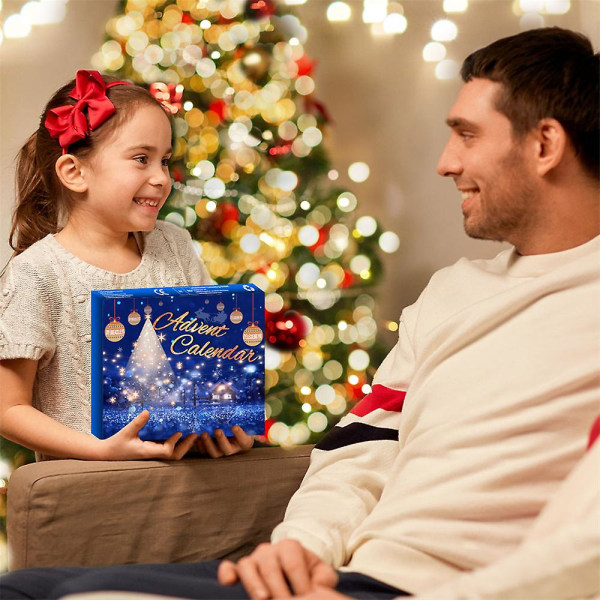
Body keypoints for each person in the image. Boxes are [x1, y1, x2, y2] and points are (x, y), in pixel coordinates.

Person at [1, 25, 599, 600]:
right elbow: (361, 448)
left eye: (466, 135)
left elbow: (583, 548)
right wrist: (301, 547)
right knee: (24, 588)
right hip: (340, 573)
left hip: (418, 588)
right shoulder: (452, 293)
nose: (444, 162)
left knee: (85, 594)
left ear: (544, 145)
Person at [0, 70, 254, 462]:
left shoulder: (174, 245)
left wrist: (229, 427)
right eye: (141, 159)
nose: (162, 178)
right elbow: (8, 410)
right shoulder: (38, 273)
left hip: (186, 487)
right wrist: (101, 450)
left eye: (165, 161)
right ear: (74, 172)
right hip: (91, 494)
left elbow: (213, 367)